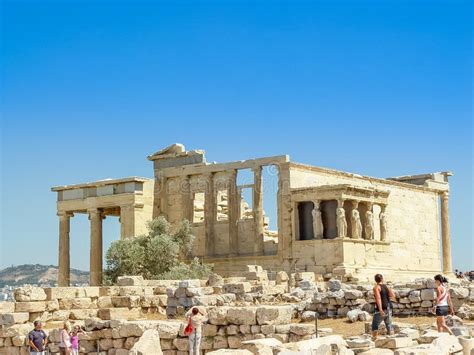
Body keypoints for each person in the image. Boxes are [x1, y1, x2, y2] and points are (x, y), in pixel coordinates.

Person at [371, 273, 396, 340]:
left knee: (375, 324)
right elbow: (393, 295)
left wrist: (380, 309)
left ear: (375, 280)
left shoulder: (376, 287)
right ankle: (392, 339)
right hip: (389, 307)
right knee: (389, 325)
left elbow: (378, 298)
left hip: (382, 308)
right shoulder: (386, 286)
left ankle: (374, 339)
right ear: (382, 279)